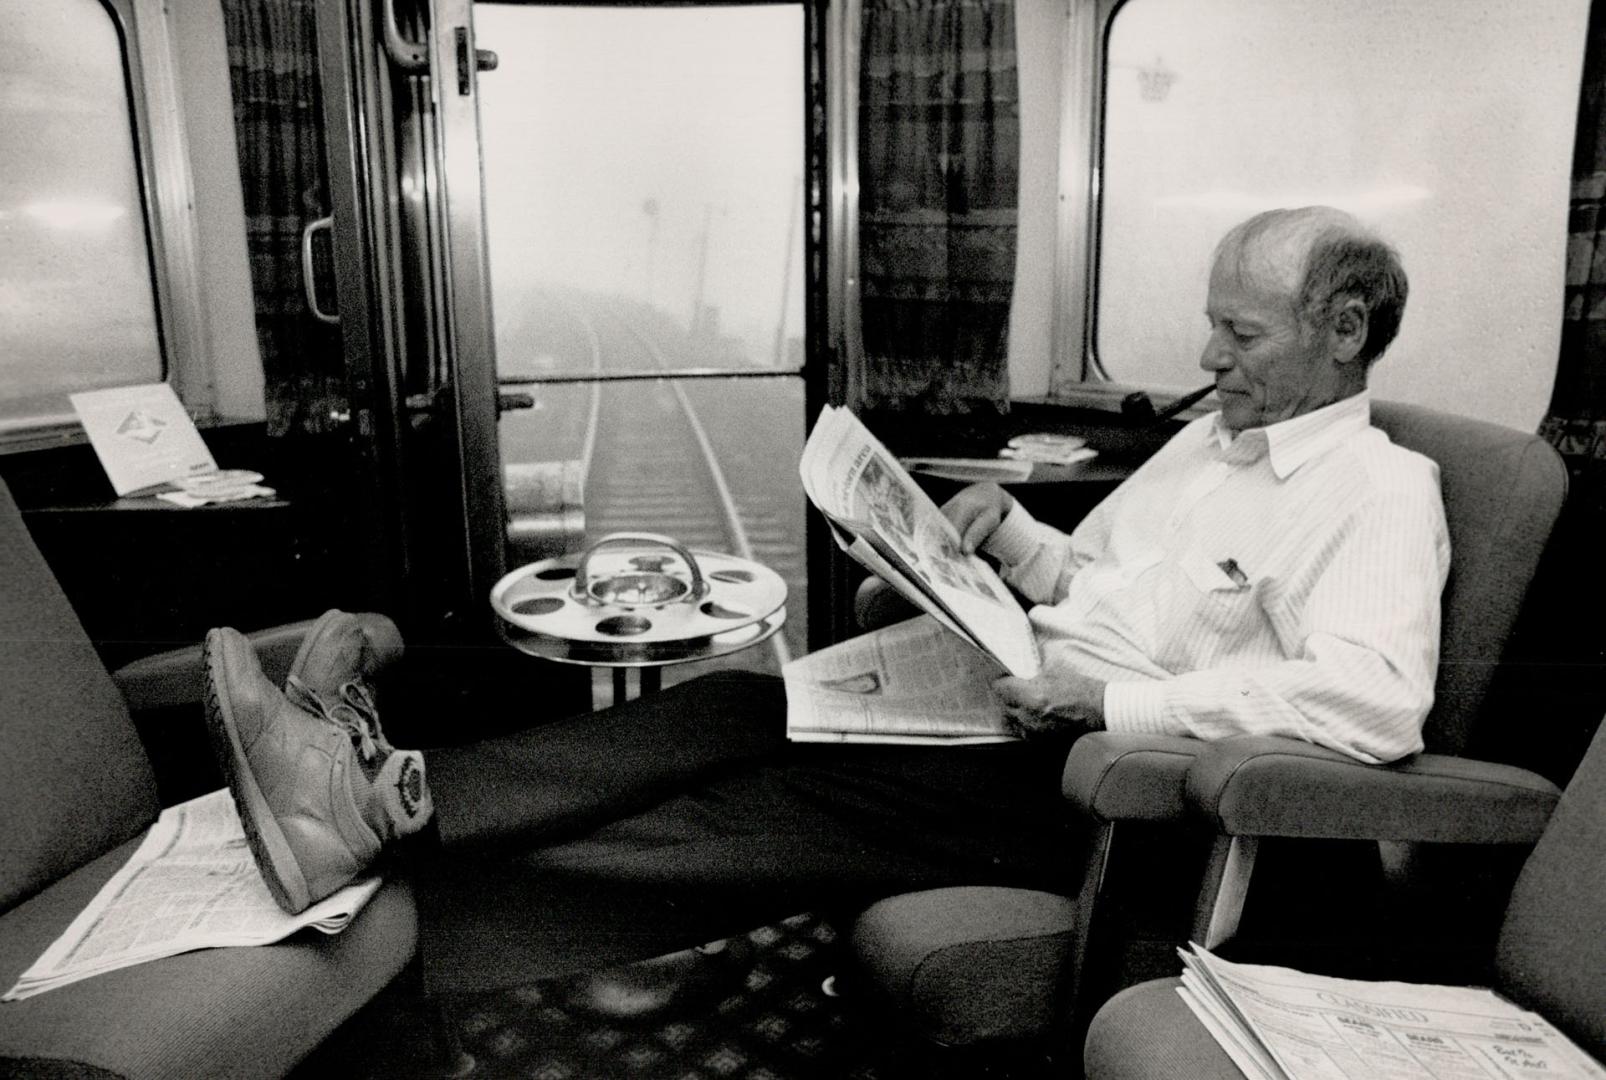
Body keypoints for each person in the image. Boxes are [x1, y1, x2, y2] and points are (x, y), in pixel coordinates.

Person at [203, 206, 1449, 996]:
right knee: (741, 701)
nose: (1209, 362)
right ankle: (388, 798)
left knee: (766, 795)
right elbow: (1101, 583)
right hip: (1021, 705)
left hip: (1109, 790)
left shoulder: (1384, 493)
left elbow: (1371, 704)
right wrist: (1008, 540)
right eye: (1210, 329)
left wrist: (1108, 698)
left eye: (1238, 334)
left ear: (1341, 331)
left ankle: (374, 843)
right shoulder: (1209, 448)